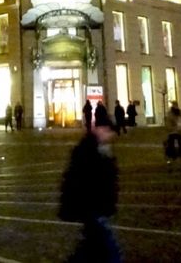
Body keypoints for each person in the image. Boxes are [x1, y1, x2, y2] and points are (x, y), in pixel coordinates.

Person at [59, 103, 120, 262]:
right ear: (98, 128)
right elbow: (80, 179)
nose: (109, 135)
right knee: (108, 250)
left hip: (93, 209)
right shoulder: (88, 149)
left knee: (91, 248)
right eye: (107, 131)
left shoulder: (98, 148)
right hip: (91, 208)